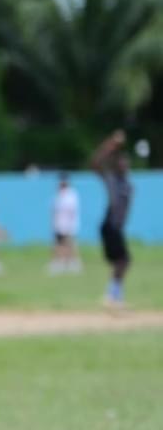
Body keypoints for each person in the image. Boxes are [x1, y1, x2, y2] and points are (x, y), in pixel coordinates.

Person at [93, 130, 133, 307]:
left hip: (116, 226)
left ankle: (115, 296)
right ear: (117, 166)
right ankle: (113, 295)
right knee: (123, 261)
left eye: (126, 163)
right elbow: (95, 164)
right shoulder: (112, 180)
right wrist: (110, 145)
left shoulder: (127, 185)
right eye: (122, 163)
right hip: (110, 225)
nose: (125, 165)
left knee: (121, 262)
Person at [49, 173, 82, 275]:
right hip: (59, 223)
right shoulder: (58, 194)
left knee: (69, 243)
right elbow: (54, 209)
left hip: (69, 224)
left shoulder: (71, 194)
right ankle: (59, 262)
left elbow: (72, 210)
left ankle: (73, 262)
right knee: (58, 243)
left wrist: (70, 224)